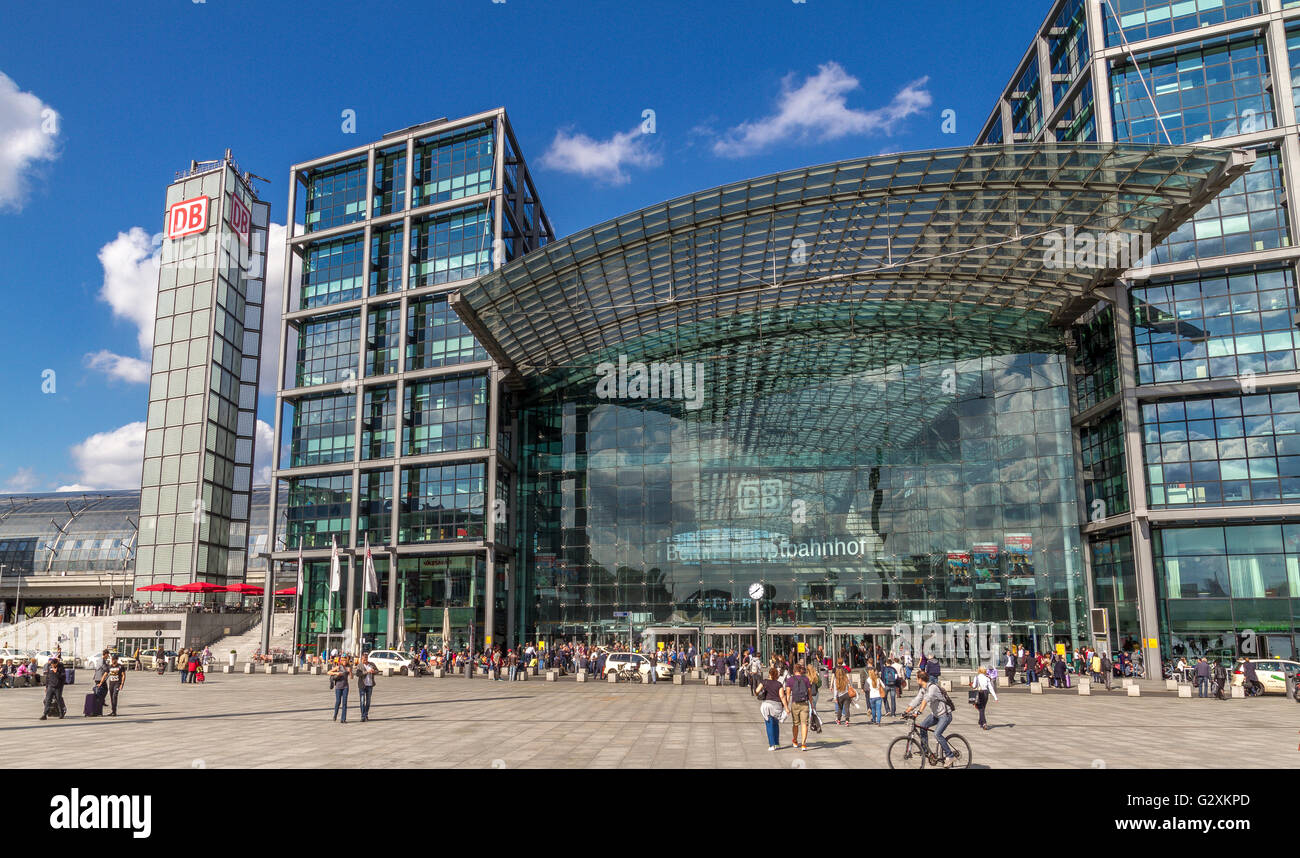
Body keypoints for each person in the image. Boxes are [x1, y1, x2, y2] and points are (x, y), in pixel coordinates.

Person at [903, 670, 956, 767]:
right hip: (935, 715)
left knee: (937, 734)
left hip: (945, 715)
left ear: (920, 679)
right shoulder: (923, 689)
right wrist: (906, 711)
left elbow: (926, 700)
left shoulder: (933, 688)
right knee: (923, 726)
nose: (916, 680)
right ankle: (925, 750)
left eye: (917, 678)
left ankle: (950, 755)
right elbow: (917, 700)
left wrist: (919, 712)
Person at [781, 662, 813, 751]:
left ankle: (795, 740)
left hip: (795, 703)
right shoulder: (806, 679)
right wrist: (812, 705)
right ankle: (803, 744)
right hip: (805, 704)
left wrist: (786, 707)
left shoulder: (790, 680)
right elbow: (810, 694)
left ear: (794, 670)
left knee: (795, 724)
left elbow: (787, 695)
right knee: (804, 724)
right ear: (801, 670)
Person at [758, 667, 787, 751]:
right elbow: (782, 696)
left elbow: (757, 690)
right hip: (777, 706)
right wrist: (786, 707)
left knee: (769, 724)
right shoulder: (779, 684)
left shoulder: (764, 682)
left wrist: (758, 693)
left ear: (769, 674)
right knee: (775, 724)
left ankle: (772, 744)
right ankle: (777, 743)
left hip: (767, 705)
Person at [971, 665, 997, 730]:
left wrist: (972, 685)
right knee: (982, 708)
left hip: (979, 693)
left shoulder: (976, 677)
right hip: (985, 693)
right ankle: (980, 721)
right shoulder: (987, 678)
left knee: (981, 709)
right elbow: (990, 688)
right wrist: (995, 697)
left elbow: (974, 686)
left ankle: (984, 723)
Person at [329, 656, 351, 722]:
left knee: (344, 703)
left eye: (345, 660)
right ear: (341, 661)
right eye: (343, 660)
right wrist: (336, 673)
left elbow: (352, 677)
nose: (344, 661)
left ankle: (343, 719)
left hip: (345, 687)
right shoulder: (338, 667)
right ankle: (335, 715)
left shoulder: (348, 667)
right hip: (338, 687)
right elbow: (329, 672)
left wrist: (350, 672)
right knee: (338, 701)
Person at [355, 654, 377, 722]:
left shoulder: (371, 664)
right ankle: (363, 716)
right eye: (364, 659)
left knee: (368, 701)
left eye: (366, 659)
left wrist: (374, 671)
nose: (365, 660)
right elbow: (358, 674)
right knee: (362, 701)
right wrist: (367, 672)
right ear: (362, 659)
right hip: (362, 685)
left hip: (370, 685)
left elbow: (377, 671)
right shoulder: (360, 665)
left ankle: (366, 714)